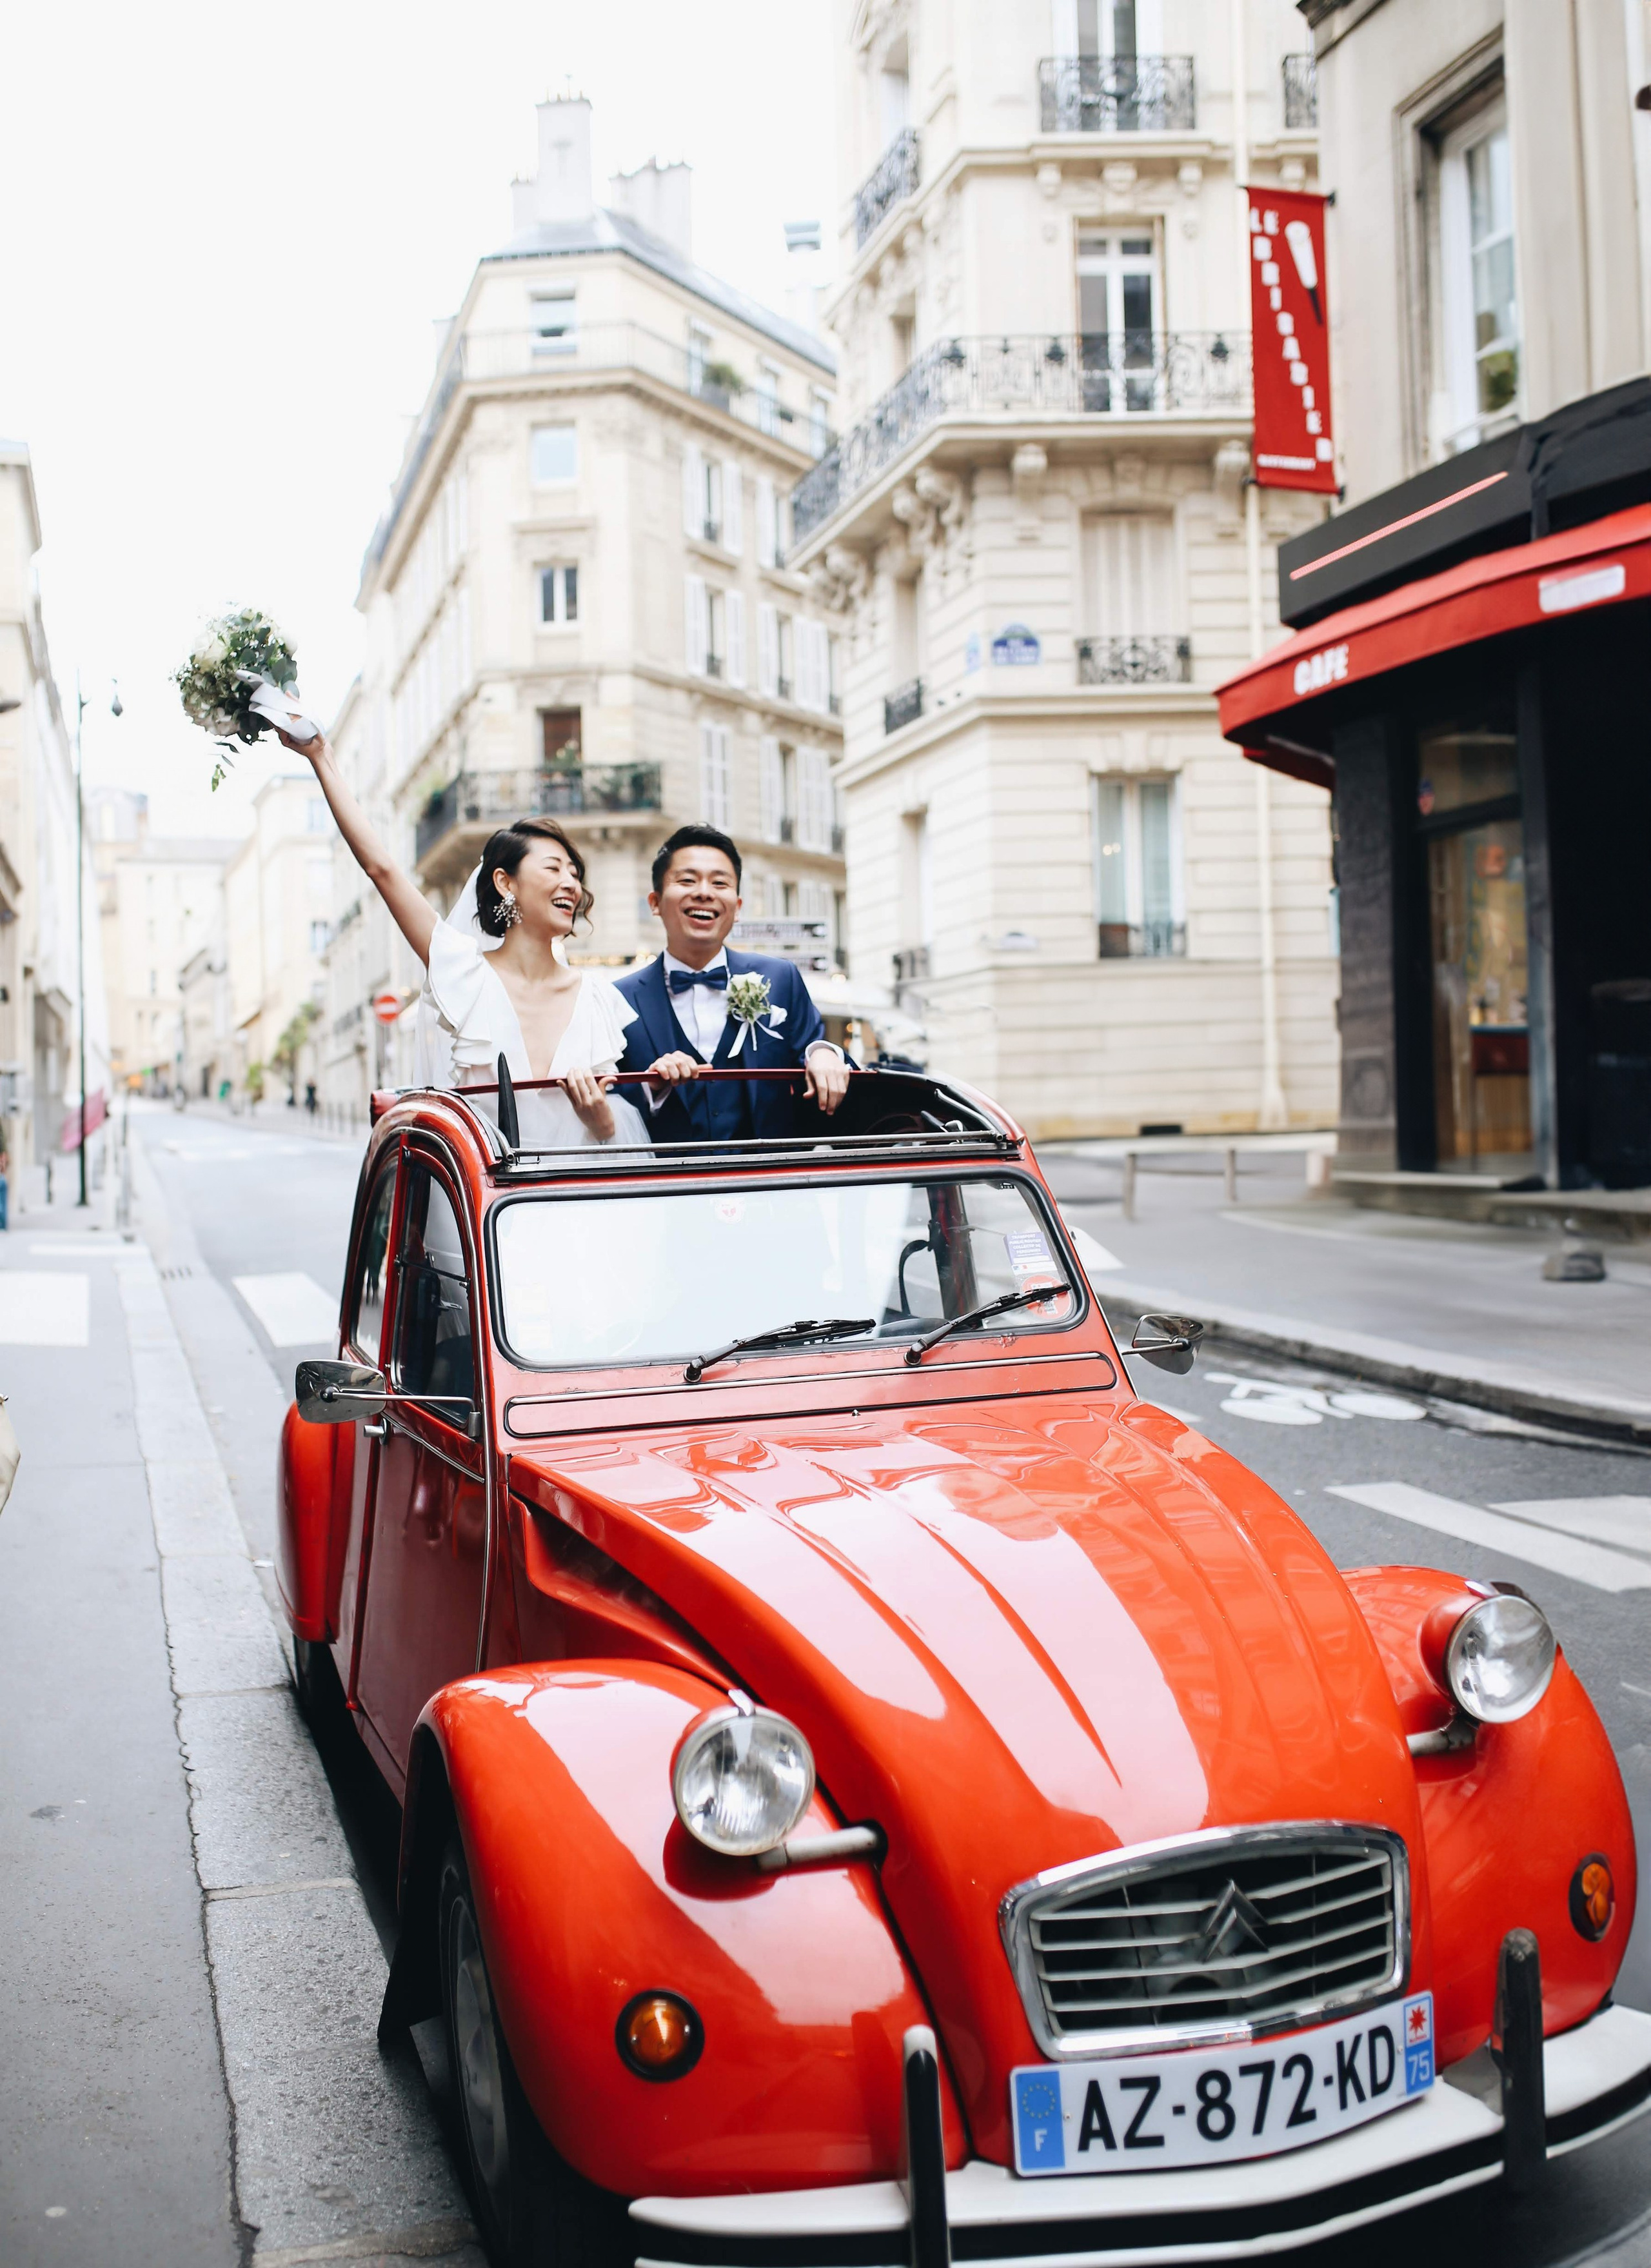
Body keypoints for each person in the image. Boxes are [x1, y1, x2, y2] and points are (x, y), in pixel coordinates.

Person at [282, 728, 648, 1153]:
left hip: (572, 1203)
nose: (571, 883)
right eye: (553, 869)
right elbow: (381, 869)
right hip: (485, 1209)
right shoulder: (466, 974)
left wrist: (602, 1120)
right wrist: (321, 756)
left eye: (574, 872)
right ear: (505, 882)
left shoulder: (598, 998)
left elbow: (614, 1139)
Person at [614, 824, 850, 1144]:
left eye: (720, 882)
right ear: (655, 902)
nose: (704, 892)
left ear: (737, 908)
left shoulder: (780, 979)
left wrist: (823, 1053)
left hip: (770, 1185)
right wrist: (651, 1087)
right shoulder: (619, 999)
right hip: (666, 1189)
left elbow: (816, 1048)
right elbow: (606, 1106)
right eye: (687, 880)